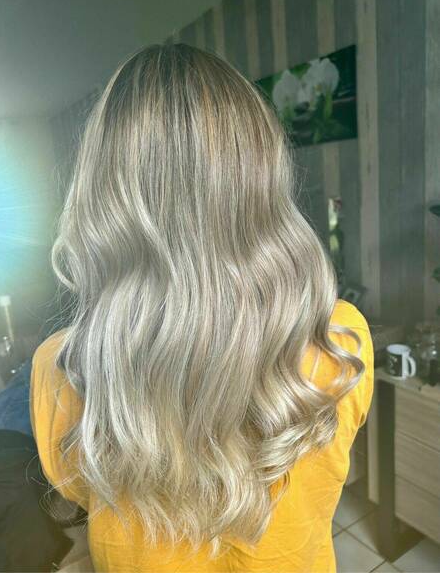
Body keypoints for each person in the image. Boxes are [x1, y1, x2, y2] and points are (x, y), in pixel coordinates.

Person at [30, 42, 374, 573]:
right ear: (262, 176)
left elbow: (77, 492)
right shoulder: (342, 340)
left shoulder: (65, 370)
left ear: (103, 195)